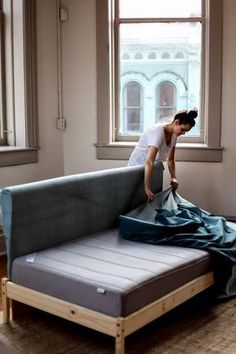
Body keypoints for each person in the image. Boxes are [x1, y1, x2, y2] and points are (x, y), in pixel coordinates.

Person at [127, 109, 198, 202]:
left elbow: (171, 160)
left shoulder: (174, 136)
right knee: (135, 200)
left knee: (150, 201)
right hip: (137, 167)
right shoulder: (157, 132)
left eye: (186, 131)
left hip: (151, 169)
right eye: (183, 129)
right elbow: (149, 161)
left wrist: (173, 177)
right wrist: (147, 187)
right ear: (176, 122)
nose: (183, 133)